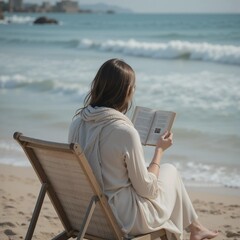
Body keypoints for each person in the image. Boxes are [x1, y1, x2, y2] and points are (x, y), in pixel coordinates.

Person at [68, 58, 218, 240]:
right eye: (133, 87)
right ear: (126, 91)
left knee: (161, 177)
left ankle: (196, 228)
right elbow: (146, 190)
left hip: (87, 213)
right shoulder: (124, 131)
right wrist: (159, 151)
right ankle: (195, 228)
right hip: (121, 217)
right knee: (170, 171)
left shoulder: (77, 123)